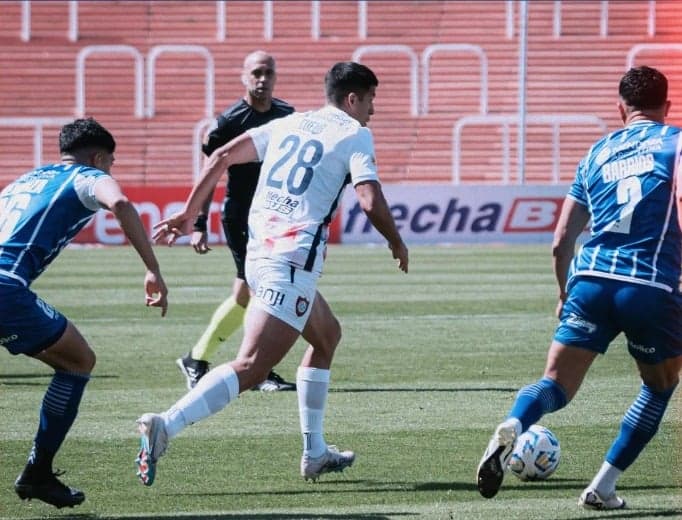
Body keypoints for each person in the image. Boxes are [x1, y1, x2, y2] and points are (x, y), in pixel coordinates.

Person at [135, 61, 408, 487]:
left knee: (327, 336)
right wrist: (396, 240)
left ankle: (315, 452)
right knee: (251, 367)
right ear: (353, 99)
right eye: (371, 100)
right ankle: (165, 425)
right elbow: (370, 200)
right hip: (290, 262)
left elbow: (223, 154)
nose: (373, 110)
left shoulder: (290, 122)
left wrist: (191, 213)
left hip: (260, 255)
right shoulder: (356, 134)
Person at [476, 65, 682, 510]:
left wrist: (564, 293)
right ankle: (602, 486)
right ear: (667, 107)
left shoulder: (596, 153)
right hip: (648, 283)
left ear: (620, 108)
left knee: (555, 384)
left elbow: (560, 240)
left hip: (589, 279)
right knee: (659, 385)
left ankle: (514, 421)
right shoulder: (676, 142)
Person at [1, 117, 168, 508]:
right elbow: (121, 203)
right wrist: (152, 269)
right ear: (98, 157)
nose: (111, 172)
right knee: (78, 361)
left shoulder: (26, 179)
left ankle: (39, 472)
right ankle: (38, 471)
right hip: (5, 286)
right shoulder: (85, 177)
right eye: (110, 163)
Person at [176, 50, 297, 392]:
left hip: (274, 217)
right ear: (243, 77)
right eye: (256, 73)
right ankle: (254, 368)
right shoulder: (228, 122)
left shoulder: (287, 116)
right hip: (242, 217)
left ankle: (203, 360)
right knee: (262, 291)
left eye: (268, 73)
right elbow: (210, 174)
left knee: (248, 292)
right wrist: (199, 223)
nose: (262, 79)